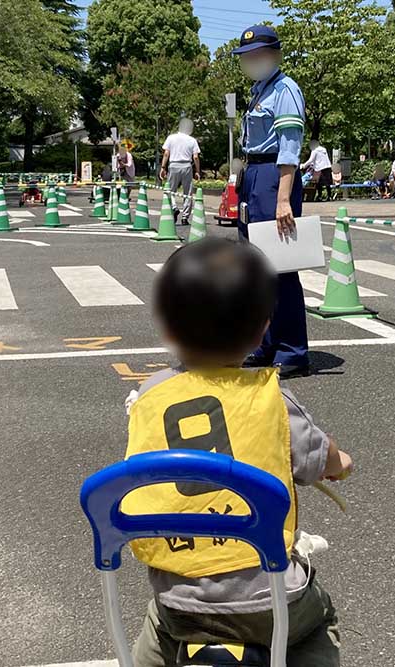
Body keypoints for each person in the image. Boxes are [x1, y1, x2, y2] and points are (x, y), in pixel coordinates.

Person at [128, 237, 352, 667]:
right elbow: (319, 459)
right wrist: (340, 464)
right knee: (318, 621)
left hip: (181, 598)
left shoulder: (150, 393)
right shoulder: (270, 399)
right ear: (263, 327)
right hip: (269, 601)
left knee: (160, 623)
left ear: (166, 327)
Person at [233, 25, 309, 378]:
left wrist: (283, 200)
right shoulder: (258, 91)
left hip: (275, 179)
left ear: (275, 55)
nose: (252, 61)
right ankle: (266, 343)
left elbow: (290, 149)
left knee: (280, 268)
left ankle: (293, 351)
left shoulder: (286, 90)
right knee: (257, 270)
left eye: (258, 55)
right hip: (255, 175)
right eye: (247, 57)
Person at [161, 118, 201, 224]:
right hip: (187, 166)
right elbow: (196, 157)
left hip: (173, 165)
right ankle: (185, 217)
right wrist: (197, 171)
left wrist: (163, 167)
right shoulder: (192, 140)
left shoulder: (171, 138)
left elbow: (166, 153)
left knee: (170, 190)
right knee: (188, 193)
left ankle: (174, 207)